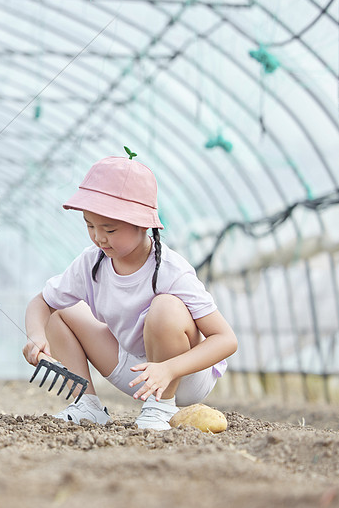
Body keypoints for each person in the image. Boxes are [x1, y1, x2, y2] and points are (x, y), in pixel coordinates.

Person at [22, 154, 237, 430]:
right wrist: (36, 336)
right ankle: (86, 405)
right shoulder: (91, 262)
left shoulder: (171, 271)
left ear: (142, 224)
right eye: (90, 225)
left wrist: (169, 368)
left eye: (109, 229)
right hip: (136, 371)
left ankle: (161, 408)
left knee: (165, 308)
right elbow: (40, 302)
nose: (99, 237)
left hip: (185, 375)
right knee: (58, 308)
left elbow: (226, 340)